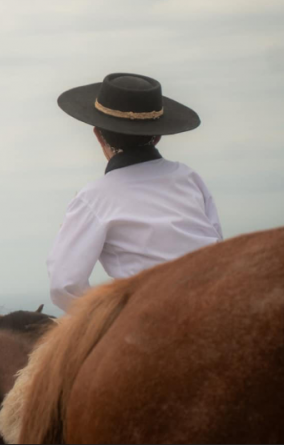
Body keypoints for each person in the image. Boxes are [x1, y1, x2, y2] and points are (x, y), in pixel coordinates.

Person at [48, 73, 223, 311]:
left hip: (152, 315)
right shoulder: (189, 178)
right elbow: (217, 244)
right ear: (158, 137)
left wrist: (109, 316)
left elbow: (64, 284)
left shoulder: (93, 198)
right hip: (217, 298)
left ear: (98, 136)